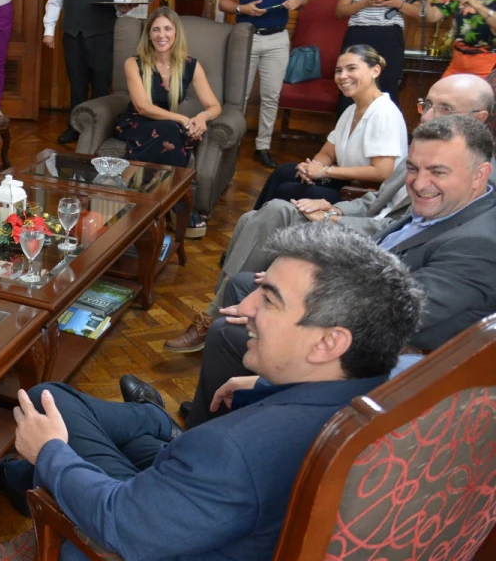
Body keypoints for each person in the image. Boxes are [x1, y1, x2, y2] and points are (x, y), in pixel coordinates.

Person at [0, 222, 422, 561]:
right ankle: (154, 426)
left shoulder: (234, 449)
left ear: (329, 343)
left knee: (47, 400)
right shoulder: (399, 387)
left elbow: (119, 526)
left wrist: (49, 453)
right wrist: (269, 385)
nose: (243, 307)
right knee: (106, 428)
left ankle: (111, 440)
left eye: (269, 300)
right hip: (217, 526)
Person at [186, 115, 496, 428]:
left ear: (479, 174)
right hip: (359, 310)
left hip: (380, 355)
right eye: (413, 168)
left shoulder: (479, 243)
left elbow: (396, 319)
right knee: (243, 286)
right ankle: (226, 407)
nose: (417, 183)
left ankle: (205, 437)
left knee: (227, 333)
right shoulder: (450, 206)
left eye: (437, 172)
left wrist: (293, 303)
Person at [164, 73, 495, 355]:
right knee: (255, 218)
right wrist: (335, 207)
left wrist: (334, 219)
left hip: (373, 245)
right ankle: (231, 318)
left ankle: (215, 320)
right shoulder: (423, 148)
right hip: (369, 230)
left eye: (445, 109)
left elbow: (408, 232)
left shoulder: (475, 176)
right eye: (428, 105)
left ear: (478, 118)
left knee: (277, 211)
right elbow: (377, 200)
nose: (428, 115)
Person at [112, 6, 222, 237]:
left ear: (176, 33)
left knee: (172, 131)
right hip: (136, 123)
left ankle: (136, 202)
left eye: (167, 29)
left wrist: (201, 117)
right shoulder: (134, 63)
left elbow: (215, 107)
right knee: (174, 131)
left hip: (168, 126)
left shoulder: (190, 65)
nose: (162, 35)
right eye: (156, 30)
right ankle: (177, 203)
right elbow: (143, 107)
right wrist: (183, 119)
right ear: (149, 35)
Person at [251, 45, 407, 208]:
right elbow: (327, 153)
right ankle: (253, 224)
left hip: (369, 196)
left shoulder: (383, 113)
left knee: (288, 190)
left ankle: (265, 228)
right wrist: (310, 169)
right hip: (348, 182)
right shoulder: (351, 110)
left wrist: (324, 172)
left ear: (375, 71)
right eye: (338, 71)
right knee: (283, 173)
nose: (343, 76)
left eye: (351, 69)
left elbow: (382, 172)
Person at [219, 0, 309, 169]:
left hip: (278, 38)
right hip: (247, 36)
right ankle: (232, 144)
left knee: (271, 96)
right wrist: (242, 7)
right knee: (240, 95)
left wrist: (297, 2)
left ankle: (263, 147)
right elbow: (223, 2)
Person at [43, 0, 131, 144]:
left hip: (102, 37)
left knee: (101, 85)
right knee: (77, 84)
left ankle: (99, 130)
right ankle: (74, 128)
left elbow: (122, 6)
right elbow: (55, 1)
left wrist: (124, 9)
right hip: (73, 36)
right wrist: (49, 31)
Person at [333, 0, 424, 116]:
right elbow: (340, 11)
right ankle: (344, 138)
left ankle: (382, 136)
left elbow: (419, 12)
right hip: (358, 35)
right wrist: (365, 2)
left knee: (387, 87)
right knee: (350, 85)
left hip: (390, 36)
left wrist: (397, 3)